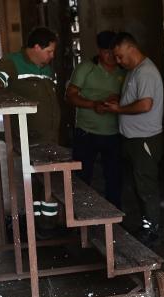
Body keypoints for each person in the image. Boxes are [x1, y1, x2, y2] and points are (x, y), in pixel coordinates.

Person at [0, 27, 60, 235]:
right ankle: (42, 225)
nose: (52, 56)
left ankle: (45, 223)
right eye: (49, 51)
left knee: (46, 179)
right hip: (29, 136)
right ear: (37, 47)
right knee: (39, 178)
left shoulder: (46, 68)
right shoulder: (13, 62)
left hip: (50, 135)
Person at [104, 32, 164, 246]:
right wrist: (119, 100)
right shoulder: (134, 71)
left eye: (120, 56)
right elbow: (135, 99)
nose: (118, 61)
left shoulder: (145, 71)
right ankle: (147, 225)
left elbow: (145, 104)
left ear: (131, 48)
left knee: (146, 187)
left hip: (144, 138)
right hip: (134, 138)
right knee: (139, 186)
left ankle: (152, 230)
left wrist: (118, 109)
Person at [65, 31, 126, 209]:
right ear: (99, 51)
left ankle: (114, 215)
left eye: (113, 52)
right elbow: (70, 96)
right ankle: (79, 213)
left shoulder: (123, 69)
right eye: (106, 52)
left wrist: (118, 98)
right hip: (86, 132)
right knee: (82, 177)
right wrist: (93, 105)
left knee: (114, 178)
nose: (111, 56)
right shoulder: (86, 68)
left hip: (114, 132)